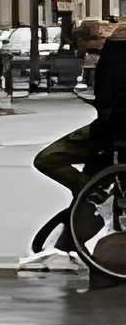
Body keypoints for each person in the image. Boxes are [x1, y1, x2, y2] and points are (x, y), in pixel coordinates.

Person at [35, 19, 125, 196]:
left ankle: (90, 196)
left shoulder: (115, 48)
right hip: (113, 136)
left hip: (112, 135)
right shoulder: (113, 46)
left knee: (48, 158)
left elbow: (104, 95)